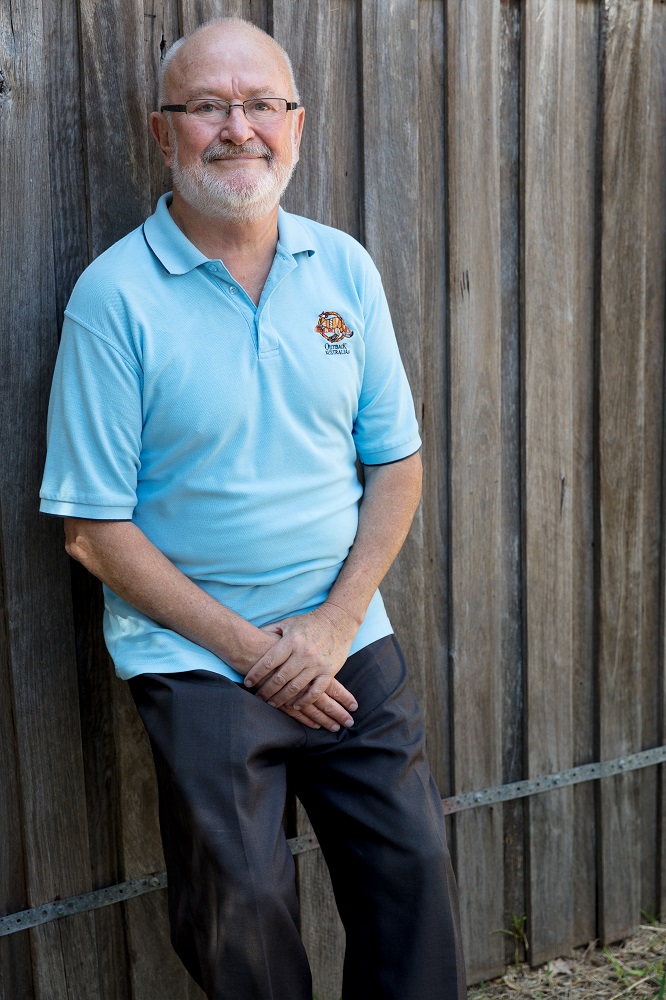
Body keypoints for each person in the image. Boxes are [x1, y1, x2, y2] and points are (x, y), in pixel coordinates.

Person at [40, 17, 465, 1000]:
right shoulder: (115, 299)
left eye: (261, 104)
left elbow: (396, 464)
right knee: (244, 917)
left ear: (297, 125)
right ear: (163, 132)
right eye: (208, 107)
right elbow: (92, 531)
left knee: (415, 878)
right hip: (196, 659)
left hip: (349, 637)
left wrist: (329, 624)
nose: (239, 129)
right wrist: (260, 654)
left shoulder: (343, 269)